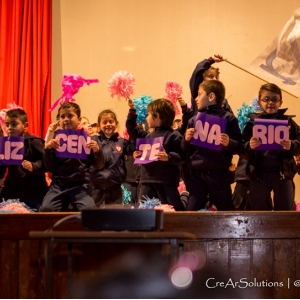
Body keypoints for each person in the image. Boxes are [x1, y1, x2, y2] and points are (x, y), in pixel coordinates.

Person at [182, 80, 242, 211]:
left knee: (226, 210)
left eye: (199, 94)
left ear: (211, 96)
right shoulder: (194, 120)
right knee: (192, 210)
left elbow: (239, 147)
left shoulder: (229, 118)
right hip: (197, 174)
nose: (196, 99)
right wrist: (186, 139)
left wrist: (229, 143)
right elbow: (185, 150)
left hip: (219, 174)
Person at [242, 83, 300, 211]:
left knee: (285, 213)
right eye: (266, 99)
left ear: (280, 102)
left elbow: (299, 141)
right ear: (259, 102)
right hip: (258, 174)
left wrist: (292, 145)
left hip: (283, 174)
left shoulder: (288, 122)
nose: (270, 103)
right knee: (258, 213)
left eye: (274, 99)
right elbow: (241, 147)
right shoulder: (252, 124)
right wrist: (249, 145)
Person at [40, 102, 104, 212]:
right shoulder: (55, 138)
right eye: (62, 116)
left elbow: (99, 166)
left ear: (79, 119)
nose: (66, 119)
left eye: (70, 116)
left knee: (89, 211)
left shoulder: (88, 139)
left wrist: (97, 151)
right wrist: (48, 150)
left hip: (80, 185)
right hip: (59, 184)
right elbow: (49, 167)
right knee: (46, 209)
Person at [126, 98, 186, 211]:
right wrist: (132, 111)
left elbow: (182, 157)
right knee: (144, 211)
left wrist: (168, 157)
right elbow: (132, 129)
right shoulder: (148, 136)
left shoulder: (174, 135)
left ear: (157, 116)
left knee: (173, 210)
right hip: (147, 182)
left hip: (167, 182)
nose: (146, 118)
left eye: (148, 114)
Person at [0, 108, 48, 211]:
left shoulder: (34, 142)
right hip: (12, 192)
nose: (10, 128)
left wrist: (34, 166)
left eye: (14, 124)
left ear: (25, 125)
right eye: (7, 125)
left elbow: (47, 163)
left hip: (33, 193)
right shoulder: (6, 145)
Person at [89, 109, 135, 206]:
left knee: (114, 215)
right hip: (96, 186)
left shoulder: (121, 142)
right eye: (104, 122)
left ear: (116, 123)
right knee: (94, 214)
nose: (108, 124)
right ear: (99, 125)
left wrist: (133, 125)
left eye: (111, 121)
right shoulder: (93, 140)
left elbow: (133, 147)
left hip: (115, 187)